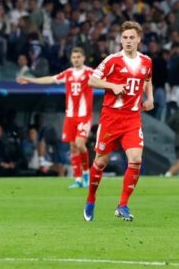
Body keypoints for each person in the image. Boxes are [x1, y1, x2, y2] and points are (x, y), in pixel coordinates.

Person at [84, 21, 153, 222]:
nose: (128, 41)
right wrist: (112, 86)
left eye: (132, 37)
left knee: (136, 159)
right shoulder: (112, 60)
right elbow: (92, 80)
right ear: (120, 40)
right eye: (124, 38)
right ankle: (90, 199)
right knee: (101, 161)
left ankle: (122, 205)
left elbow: (147, 79)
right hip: (111, 118)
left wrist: (150, 98)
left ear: (139, 39)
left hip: (132, 118)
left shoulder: (146, 61)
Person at [18, 47, 94, 189]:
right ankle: (78, 179)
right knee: (72, 147)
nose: (76, 59)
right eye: (74, 57)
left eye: (78, 57)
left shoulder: (90, 73)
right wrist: (30, 80)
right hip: (70, 116)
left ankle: (86, 174)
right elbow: (50, 79)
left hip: (84, 116)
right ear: (71, 59)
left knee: (80, 144)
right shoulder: (68, 73)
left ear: (83, 58)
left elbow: (103, 80)